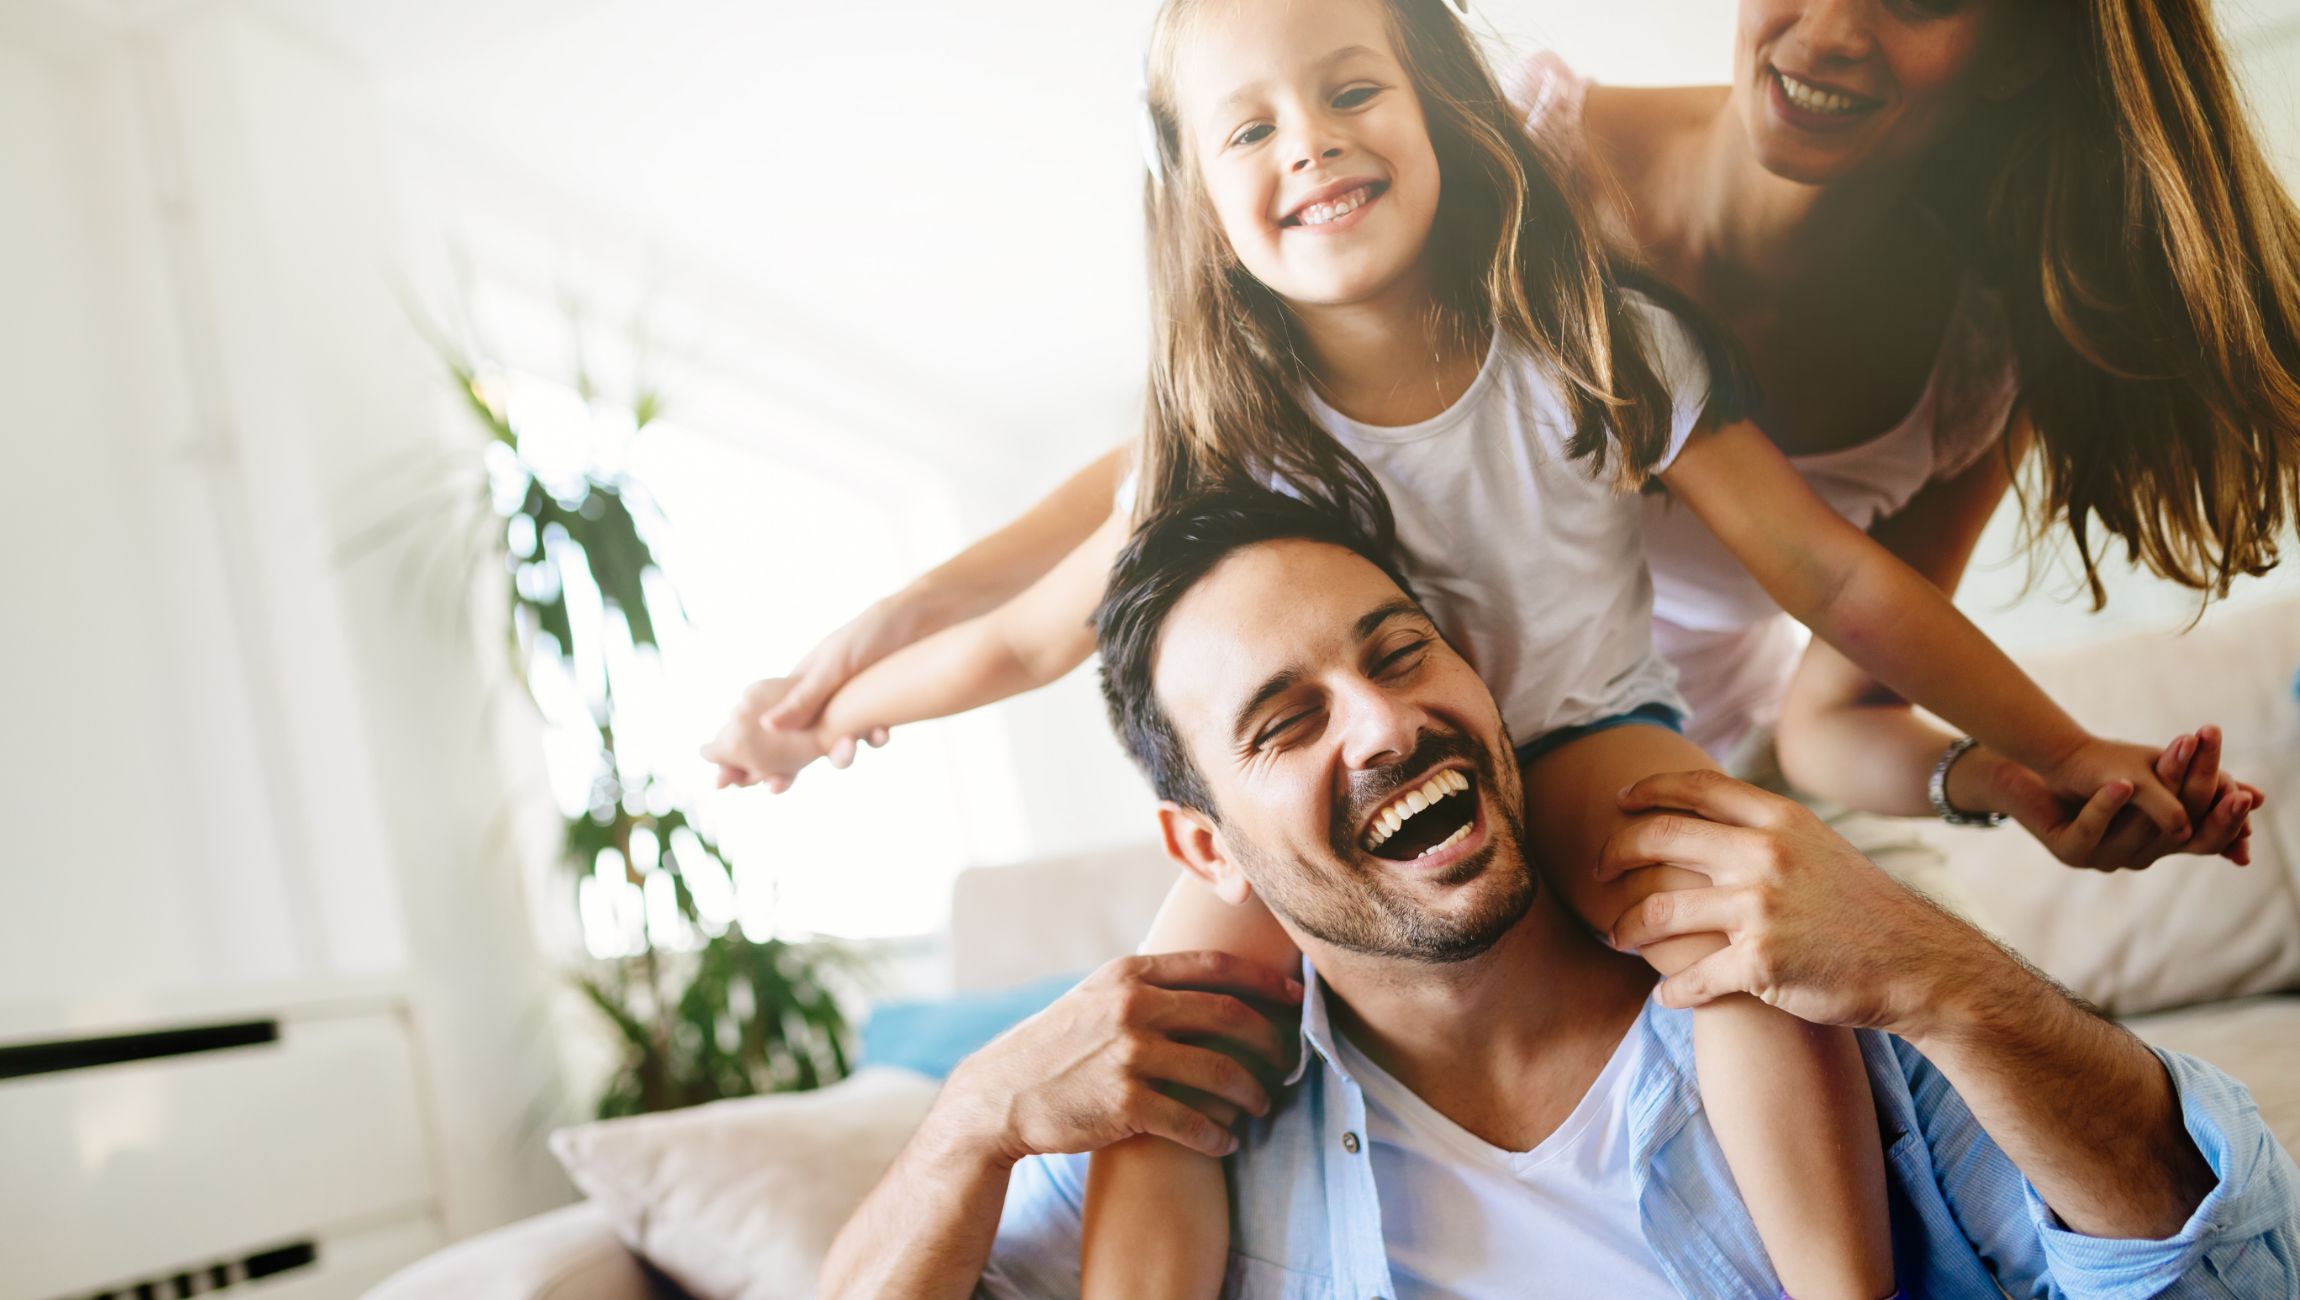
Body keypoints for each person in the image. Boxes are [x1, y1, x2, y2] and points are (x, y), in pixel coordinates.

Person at [707, 0, 2258, 1295]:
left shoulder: (1590, 334)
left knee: (1732, 928)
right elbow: (1025, 639)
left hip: (1585, 732)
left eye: (1350, 88)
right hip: (1351, 817)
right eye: (1247, 129)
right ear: (1195, 195)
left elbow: (1841, 587)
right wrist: (834, 709)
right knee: (1171, 1051)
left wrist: (2059, 752)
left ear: (1444, 109)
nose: (1308, 138)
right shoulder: (1232, 428)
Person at [815, 488, 2299, 1299]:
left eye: (1399, 654)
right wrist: (964, 1129)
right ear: (1203, 850)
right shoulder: (1184, 1130)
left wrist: (1936, 976)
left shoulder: (1812, 1001)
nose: (1383, 724)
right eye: (1285, 722)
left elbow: (2216, 1271)